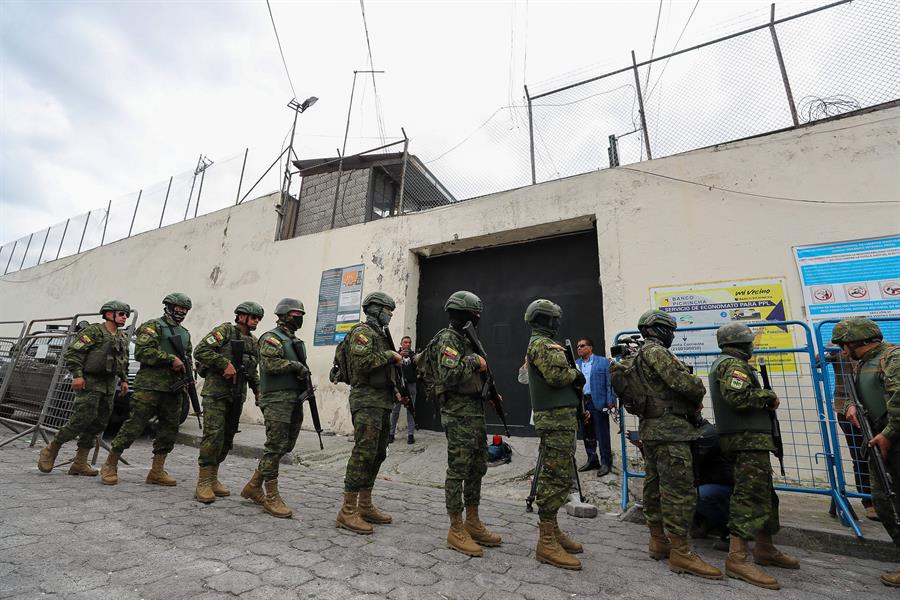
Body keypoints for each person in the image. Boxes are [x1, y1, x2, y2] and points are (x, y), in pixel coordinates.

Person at [630, 309, 721, 579]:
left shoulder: (638, 355)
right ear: (658, 330)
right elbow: (683, 382)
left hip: (653, 429)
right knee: (679, 489)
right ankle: (681, 553)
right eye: (669, 330)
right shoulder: (656, 351)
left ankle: (658, 540)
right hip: (671, 431)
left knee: (655, 484)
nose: (672, 335)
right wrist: (697, 386)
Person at [710, 321, 799, 590]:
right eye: (750, 342)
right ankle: (737, 557)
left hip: (750, 438)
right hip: (746, 439)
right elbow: (737, 397)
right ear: (741, 343)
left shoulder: (728, 363)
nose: (752, 346)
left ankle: (764, 547)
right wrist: (767, 396)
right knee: (749, 496)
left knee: (764, 494)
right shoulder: (732, 364)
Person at [422, 290, 501, 557]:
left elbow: (473, 376)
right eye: (475, 312)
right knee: (458, 469)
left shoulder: (465, 339)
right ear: (464, 313)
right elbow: (450, 374)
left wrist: (488, 392)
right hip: (457, 415)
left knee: (477, 467)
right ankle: (456, 527)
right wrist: (472, 360)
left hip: (474, 412)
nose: (478, 317)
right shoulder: (448, 339)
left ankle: (473, 521)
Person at [832, 317, 899, 588]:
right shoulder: (862, 363)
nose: (841, 349)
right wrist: (849, 404)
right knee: (885, 502)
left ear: (855, 340)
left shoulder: (892, 358)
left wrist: (888, 434)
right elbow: (856, 394)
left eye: (843, 343)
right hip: (878, 439)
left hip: (891, 437)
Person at [102, 293, 194, 487]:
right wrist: (169, 359)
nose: (181, 314)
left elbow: (187, 357)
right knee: (134, 425)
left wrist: (188, 379)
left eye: (185, 311)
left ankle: (157, 470)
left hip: (173, 389)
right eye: (178, 310)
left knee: (169, 430)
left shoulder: (185, 334)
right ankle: (110, 464)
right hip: (150, 387)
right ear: (168, 308)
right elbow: (143, 352)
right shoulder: (153, 326)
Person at [335, 291, 405, 535]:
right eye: (387, 310)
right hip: (366, 400)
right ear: (375, 309)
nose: (389, 315)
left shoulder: (381, 335)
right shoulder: (361, 332)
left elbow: (384, 371)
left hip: (383, 401)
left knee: (378, 453)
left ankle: (364, 505)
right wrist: (390, 356)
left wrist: (396, 389)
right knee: (363, 453)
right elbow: (363, 363)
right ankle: (347, 510)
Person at [37, 300, 131, 476]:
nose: (125, 317)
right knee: (81, 419)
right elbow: (73, 353)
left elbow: (123, 361)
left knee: (98, 423)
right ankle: (51, 449)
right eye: (121, 314)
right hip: (90, 382)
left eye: (126, 315)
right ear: (109, 314)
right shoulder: (94, 331)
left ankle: (80, 462)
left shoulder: (122, 337)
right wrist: (78, 375)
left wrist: (124, 380)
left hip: (109, 386)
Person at [524, 298, 584, 570]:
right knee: (554, 474)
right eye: (554, 318)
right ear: (545, 320)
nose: (558, 323)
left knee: (561, 475)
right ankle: (546, 541)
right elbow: (557, 377)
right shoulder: (541, 344)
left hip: (561, 418)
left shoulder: (547, 344)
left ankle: (553, 530)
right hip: (554, 419)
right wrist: (575, 374)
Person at [239, 298, 307, 518]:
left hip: (293, 399)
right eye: (296, 315)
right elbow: (270, 364)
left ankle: (253, 485)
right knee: (275, 445)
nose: (299, 319)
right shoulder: (272, 338)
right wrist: (295, 365)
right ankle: (271, 496)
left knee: (285, 445)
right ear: (285, 315)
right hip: (276, 399)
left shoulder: (292, 340)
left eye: (301, 315)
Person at [192, 302, 262, 504]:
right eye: (253, 317)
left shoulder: (254, 342)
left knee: (227, 437)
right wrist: (224, 364)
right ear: (241, 317)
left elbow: (252, 371)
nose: (256, 321)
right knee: (213, 436)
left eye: (258, 318)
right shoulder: (225, 331)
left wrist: (258, 391)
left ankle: (213, 478)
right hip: (216, 394)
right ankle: (203, 482)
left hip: (237, 395)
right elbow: (201, 350)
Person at [828, 349, 877, 520]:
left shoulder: (874, 351)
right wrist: (831, 349)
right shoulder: (838, 350)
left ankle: (883, 497)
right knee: (859, 455)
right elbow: (818, 361)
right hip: (845, 409)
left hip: (874, 408)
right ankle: (868, 502)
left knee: (880, 453)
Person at [574, 338, 616, 477]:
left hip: (598, 401)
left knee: (602, 433)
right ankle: (592, 459)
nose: (579, 348)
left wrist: (611, 400)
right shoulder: (575, 364)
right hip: (582, 402)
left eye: (582, 345)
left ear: (590, 347)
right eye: (578, 346)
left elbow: (610, 383)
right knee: (587, 432)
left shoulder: (603, 362)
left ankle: (606, 462)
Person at [389, 335, 417, 444]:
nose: (408, 344)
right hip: (398, 386)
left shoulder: (413, 355)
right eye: (405, 342)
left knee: (411, 410)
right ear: (401, 344)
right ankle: (391, 434)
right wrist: (399, 357)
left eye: (409, 342)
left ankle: (410, 434)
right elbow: (391, 367)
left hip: (411, 386)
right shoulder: (395, 354)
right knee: (395, 410)